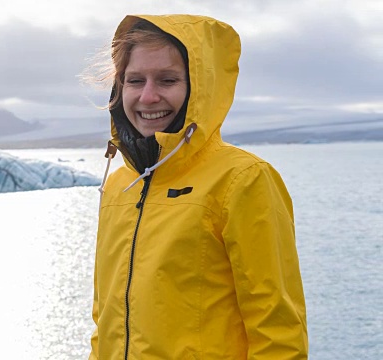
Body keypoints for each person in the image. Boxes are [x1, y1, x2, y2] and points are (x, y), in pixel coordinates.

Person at [89, 14, 308, 359]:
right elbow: (104, 320)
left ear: (200, 88)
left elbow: (278, 329)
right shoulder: (119, 185)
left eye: (167, 79)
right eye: (135, 80)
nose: (148, 96)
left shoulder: (243, 179)